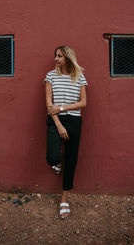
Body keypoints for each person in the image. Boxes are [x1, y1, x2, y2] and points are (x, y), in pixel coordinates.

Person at [44, 45, 88, 220]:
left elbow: (83, 102)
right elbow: (49, 104)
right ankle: (56, 163)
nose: (55, 59)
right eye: (55, 55)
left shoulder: (79, 77)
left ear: (68, 58)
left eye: (59, 56)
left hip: (75, 121)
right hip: (55, 121)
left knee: (71, 160)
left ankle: (64, 200)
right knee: (52, 157)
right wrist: (59, 123)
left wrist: (62, 107)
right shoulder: (50, 76)